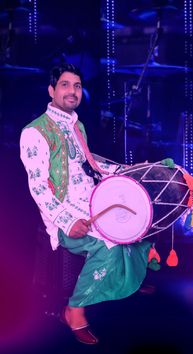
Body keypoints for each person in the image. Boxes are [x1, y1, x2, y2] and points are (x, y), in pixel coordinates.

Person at [20, 63, 153, 345]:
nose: (72, 91)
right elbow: (38, 186)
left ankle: (131, 275)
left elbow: (88, 162)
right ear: (52, 90)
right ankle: (74, 309)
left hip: (92, 200)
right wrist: (67, 221)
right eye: (65, 85)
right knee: (110, 242)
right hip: (64, 212)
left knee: (136, 216)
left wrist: (125, 170)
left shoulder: (76, 125)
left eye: (77, 86)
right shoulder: (35, 132)